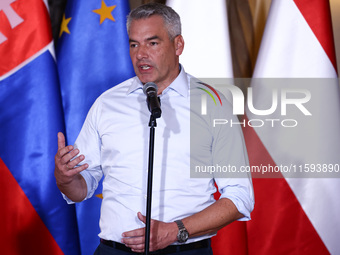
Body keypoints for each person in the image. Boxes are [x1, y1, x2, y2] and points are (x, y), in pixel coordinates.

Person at [54, 3, 254, 254]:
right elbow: (81, 189)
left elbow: (239, 197)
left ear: (178, 45)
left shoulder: (213, 104)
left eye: (152, 43)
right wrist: (65, 179)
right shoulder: (107, 103)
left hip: (184, 250)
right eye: (134, 44)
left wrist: (176, 230)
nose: (140, 54)